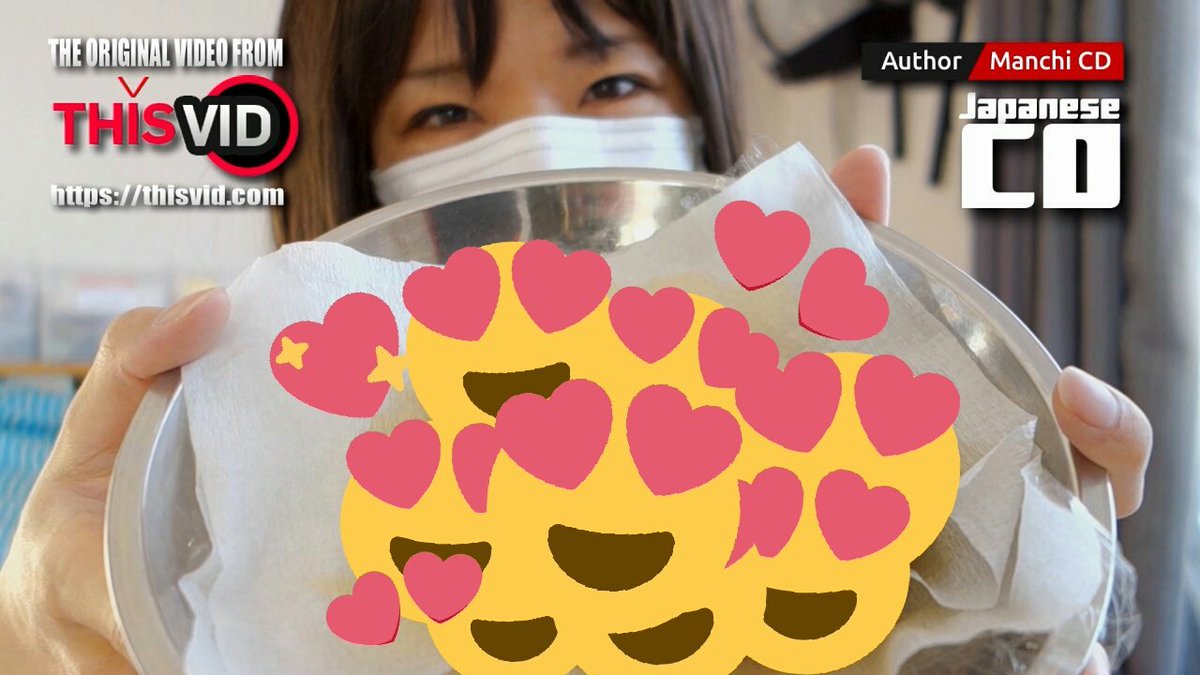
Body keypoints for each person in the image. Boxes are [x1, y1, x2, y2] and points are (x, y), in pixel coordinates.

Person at [0, 1, 1151, 673]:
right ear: (351, 164)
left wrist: (1038, 570)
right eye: (443, 110)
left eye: (610, 84)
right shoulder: (245, 494)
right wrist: (28, 633)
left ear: (699, 105)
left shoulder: (813, 401)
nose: (544, 141)